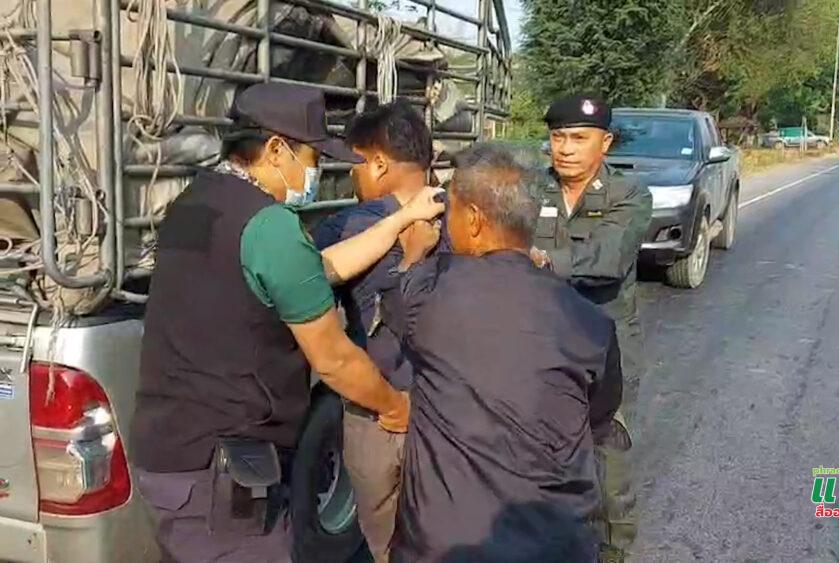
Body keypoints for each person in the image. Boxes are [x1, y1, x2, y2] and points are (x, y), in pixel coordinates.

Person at [130, 83, 443, 563]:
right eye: (312, 157)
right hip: (223, 472)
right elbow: (333, 359)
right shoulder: (270, 225)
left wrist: (398, 222)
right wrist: (392, 405)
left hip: (169, 454)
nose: (316, 172)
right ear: (276, 150)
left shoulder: (195, 201)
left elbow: (313, 271)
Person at [383, 143, 623, 563]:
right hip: (555, 546)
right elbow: (599, 413)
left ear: (474, 220)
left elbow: (393, 304)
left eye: (452, 210)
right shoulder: (591, 322)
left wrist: (413, 253)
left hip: (446, 548)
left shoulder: (427, 292)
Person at [310, 100, 440, 563]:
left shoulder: (350, 225)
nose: (353, 176)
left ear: (379, 163)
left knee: (386, 542)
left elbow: (308, 280)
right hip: (447, 409)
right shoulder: (468, 219)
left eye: (356, 164)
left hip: (376, 411)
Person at [529, 94, 653, 562]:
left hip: (606, 350)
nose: (565, 148)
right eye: (558, 137)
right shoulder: (531, 190)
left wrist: (537, 259)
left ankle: (611, 553)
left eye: (579, 138)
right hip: (541, 345)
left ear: (605, 142)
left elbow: (608, 260)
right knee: (538, 455)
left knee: (607, 463)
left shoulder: (629, 194)